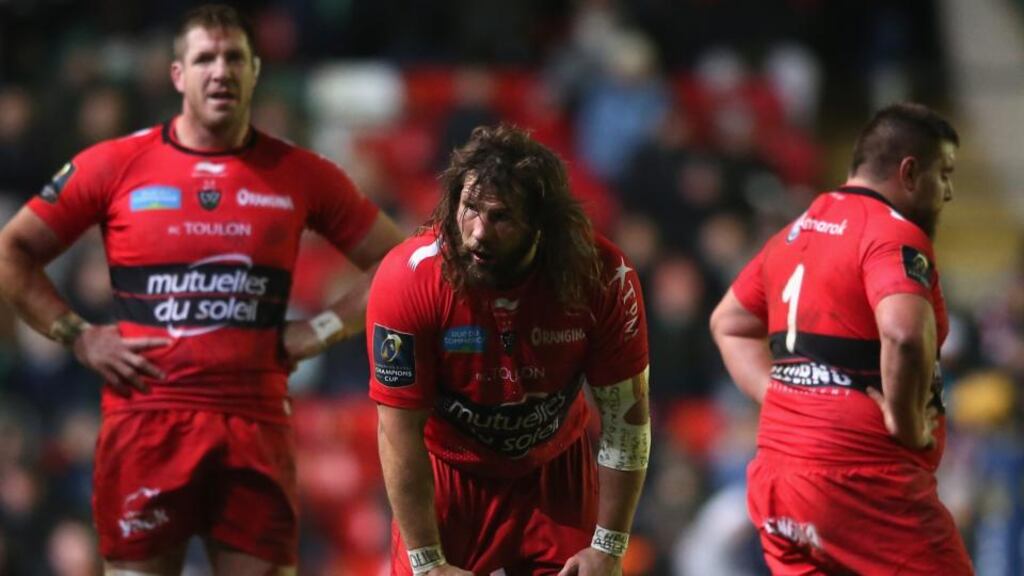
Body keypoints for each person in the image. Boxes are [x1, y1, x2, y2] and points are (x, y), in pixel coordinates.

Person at [0, 4, 404, 574]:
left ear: (255, 71)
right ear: (177, 74)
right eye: (205, 58)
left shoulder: (299, 173)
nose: (220, 71)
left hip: (253, 422)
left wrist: (319, 330)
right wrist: (79, 336)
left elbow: (401, 262)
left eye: (234, 57)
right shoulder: (115, 165)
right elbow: (12, 251)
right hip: (147, 423)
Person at [366, 124, 651, 575]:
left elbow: (627, 419)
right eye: (469, 209)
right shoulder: (407, 278)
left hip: (556, 476)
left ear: (540, 224)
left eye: (500, 217)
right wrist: (427, 563)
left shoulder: (602, 277)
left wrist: (608, 548)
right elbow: (397, 431)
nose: (478, 233)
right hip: (449, 476)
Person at [709, 102, 974, 574]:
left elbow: (728, 322)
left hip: (780, 482)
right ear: (910, 172)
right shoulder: (890, 233)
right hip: (858, 483)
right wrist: (908, 422)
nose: (948, 191)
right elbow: (903, 333)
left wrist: (784, 397)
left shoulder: (795, 233)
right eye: (944, 174)